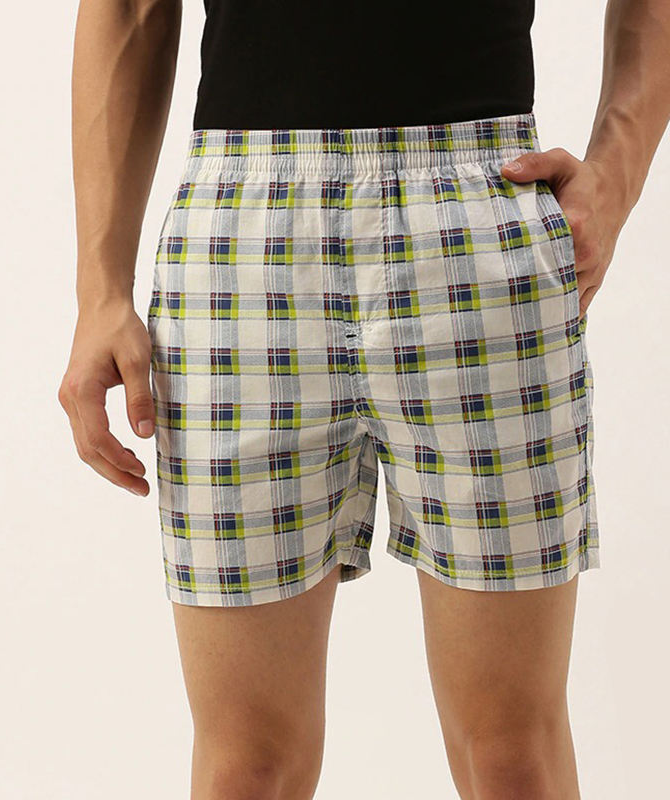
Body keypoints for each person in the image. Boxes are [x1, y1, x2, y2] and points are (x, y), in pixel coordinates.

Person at [58, 1, 670, 797]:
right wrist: (100, 292)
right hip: (244, 240)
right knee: (247, 767)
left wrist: (614, 180)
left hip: (476, 216)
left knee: (511, 755)